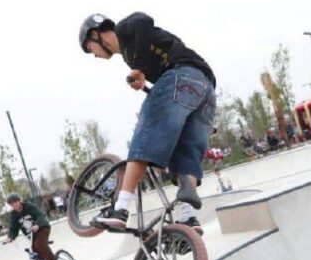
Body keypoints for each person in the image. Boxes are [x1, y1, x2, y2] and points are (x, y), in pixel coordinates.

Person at [80, 13, 214, 234]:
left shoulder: (124, 30)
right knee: (184, 154)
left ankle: (120, 209)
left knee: (145, 137)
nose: (93, 55)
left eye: (89, 48)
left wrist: (139, 68)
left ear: (96, 34)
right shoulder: (131, 55)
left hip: (182, 75)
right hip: (205, 89)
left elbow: (144, 21)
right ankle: (188, 217)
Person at [5, 193, 60, 260]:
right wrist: (10, 237)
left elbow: (40, 215)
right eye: (11, 204)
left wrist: (37, 225)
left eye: (15, 202)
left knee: (39, 244)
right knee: (36, 255)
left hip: (42, 228)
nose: (14, 205)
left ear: (19, 201)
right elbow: (13, 228)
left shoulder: (29, 206)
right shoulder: (13, 215)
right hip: (31, 235)